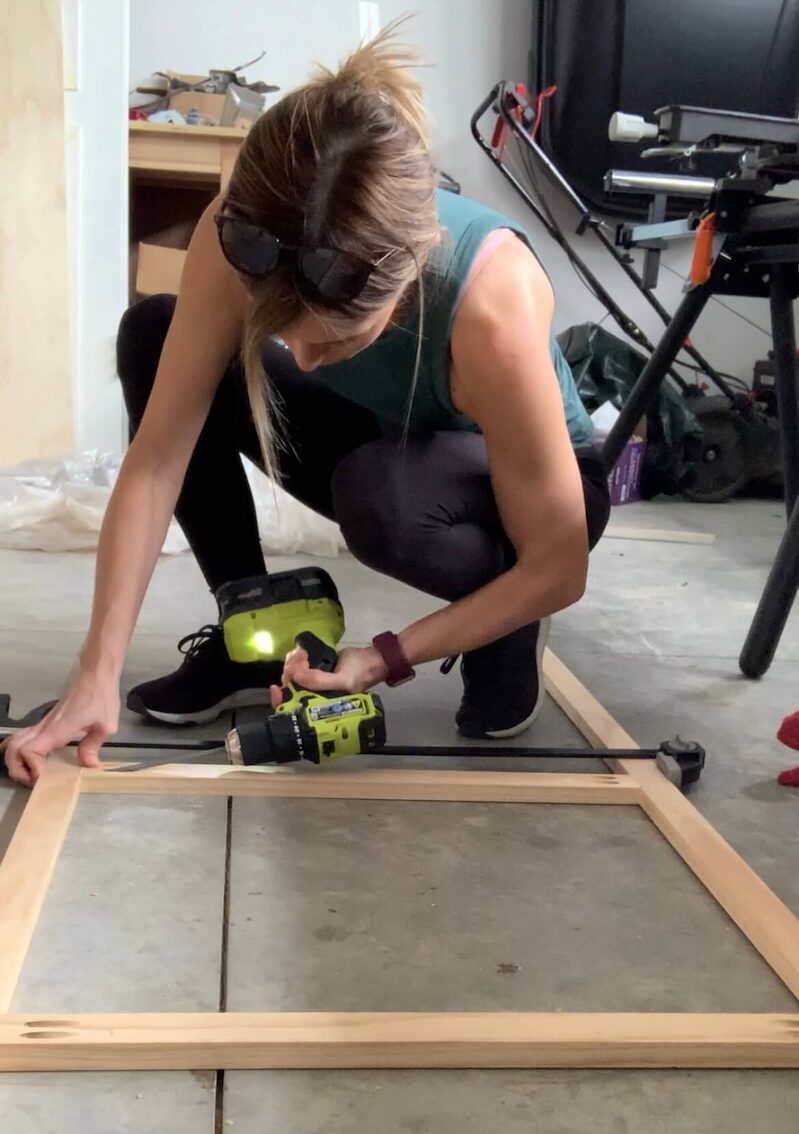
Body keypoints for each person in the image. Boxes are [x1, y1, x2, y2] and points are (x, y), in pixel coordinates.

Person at [2, 26, 608, 787]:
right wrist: (95, 670)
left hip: (524, 501)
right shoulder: (240, 229)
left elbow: (563, 562)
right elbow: (158, 458)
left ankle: (499, 618)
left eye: (337, 337)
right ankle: (247, 628)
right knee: (154, 331)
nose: (306, 360)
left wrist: (381, 658)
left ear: (408, 276)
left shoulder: (493, 304)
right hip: (385, 437)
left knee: (385, 498)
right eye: (284, 333)